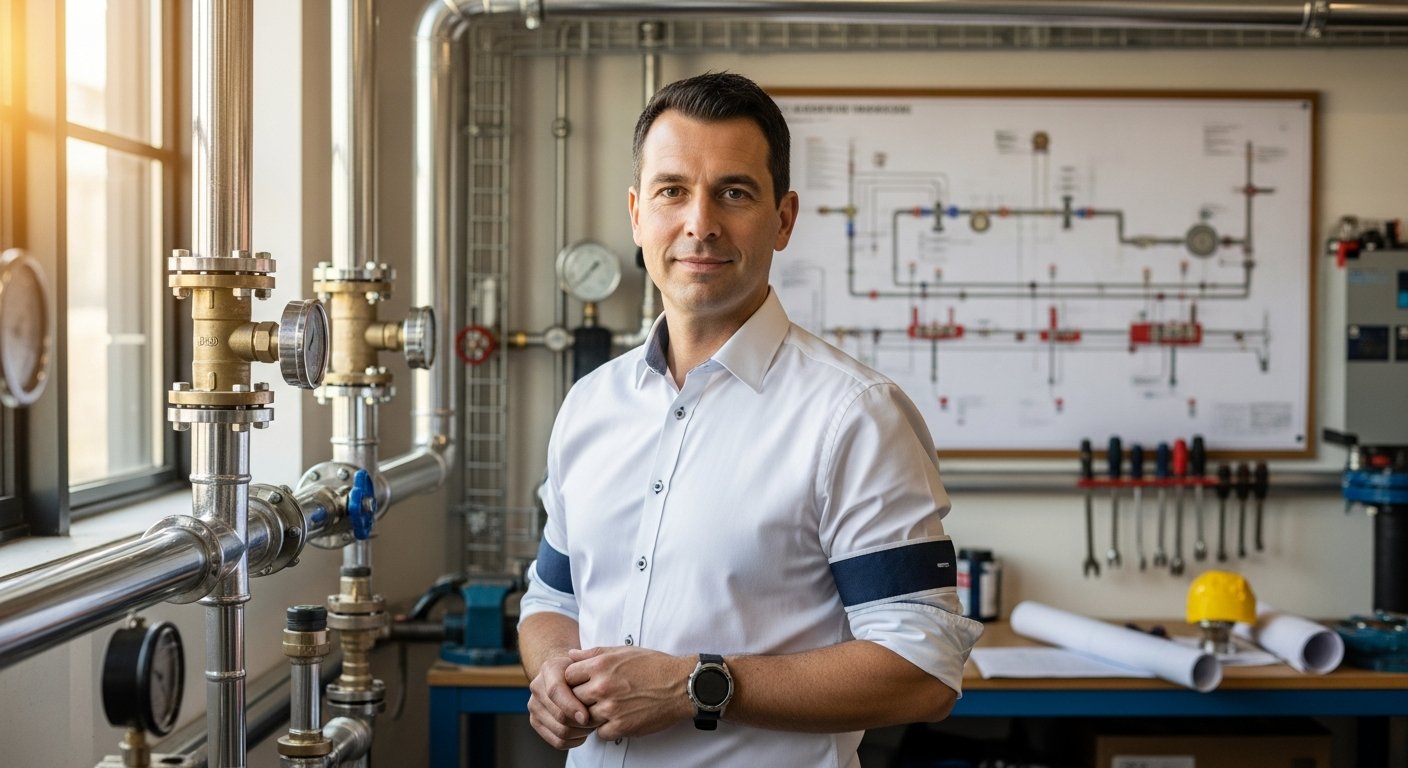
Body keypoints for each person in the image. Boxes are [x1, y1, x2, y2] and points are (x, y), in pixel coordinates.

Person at [517, 71, 983, 767]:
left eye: (733, 193)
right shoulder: (590, 404)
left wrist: (696, 687)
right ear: (637, 214)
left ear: (784, 219)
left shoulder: (851, 416)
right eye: (673, 190)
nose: (700, 223)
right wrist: (552, 670)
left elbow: (924, 669)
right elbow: (552, 600)